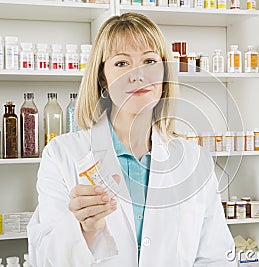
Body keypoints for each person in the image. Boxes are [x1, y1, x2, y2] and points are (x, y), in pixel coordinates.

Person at [28, 12, 236, 267]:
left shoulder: (195, 160)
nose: (138, 75)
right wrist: (86, 230)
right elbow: (44, 260)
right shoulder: (62, 155)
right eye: (121, 63)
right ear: (103, 77)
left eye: (149, 61)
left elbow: (216, 257)